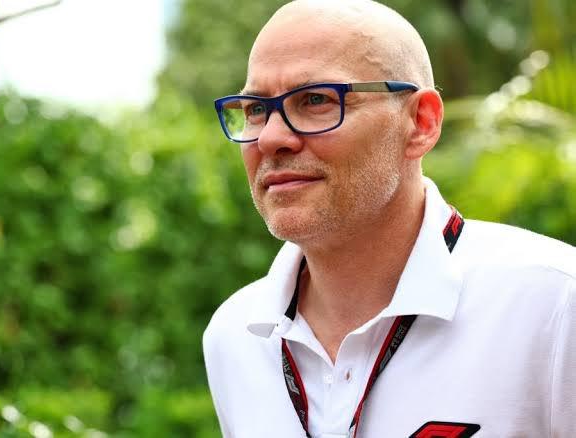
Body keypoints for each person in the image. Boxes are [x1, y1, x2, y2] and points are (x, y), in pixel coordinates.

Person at [202, 0, 576, 437]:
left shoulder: (553, 305)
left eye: (317, 100)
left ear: (421, 122)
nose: (270, 138)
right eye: (255, 109)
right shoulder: (235, 336)